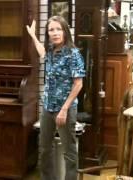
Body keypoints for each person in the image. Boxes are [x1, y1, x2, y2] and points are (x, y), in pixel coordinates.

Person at [26, 16, 85, 180]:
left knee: (69, 152)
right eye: (51, 30)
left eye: (58, 29)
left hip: (65, 109)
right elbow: (41, 50)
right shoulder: (51, 51)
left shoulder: (73, 54)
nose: (55, 33)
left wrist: (64, 109)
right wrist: (33, 35)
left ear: (65, 31)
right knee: (44, 149)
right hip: (47, 107)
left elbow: (78, 84)